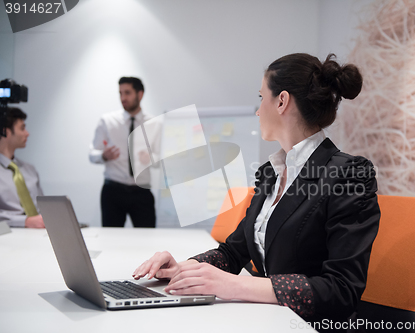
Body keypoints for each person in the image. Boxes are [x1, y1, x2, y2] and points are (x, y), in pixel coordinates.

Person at [132, 53, 380, 330]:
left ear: (282, 101)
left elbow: (341, 289)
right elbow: (233, 252)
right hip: (266, 320)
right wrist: (183, 269)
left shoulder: (349, 173)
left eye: (262, 98)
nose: (258, 110)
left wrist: (237, 286)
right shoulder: (271, 172)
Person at [89, 77, 156, 228]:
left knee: (148, 238)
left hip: (142, 192)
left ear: (140, 94)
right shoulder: (107, 121)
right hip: (113, 191)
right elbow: (92, 154)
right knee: (111, 240)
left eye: (127, 93)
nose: (123, 98)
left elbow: (163, 155)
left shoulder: (153, 123)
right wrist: (103, 156)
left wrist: (152, 158)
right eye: (120, 93)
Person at [0, 107, 45, 228]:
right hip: (10, 235)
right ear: (6, 132)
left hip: (41, 233)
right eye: (22, 128)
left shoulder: (29, 169)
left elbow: (43, 208)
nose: (27, 133)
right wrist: (24, 221)